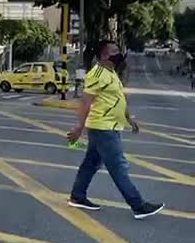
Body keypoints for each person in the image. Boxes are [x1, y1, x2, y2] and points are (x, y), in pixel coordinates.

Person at [67, 40, 164, 219]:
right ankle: (138, 205)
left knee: (91, 164)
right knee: (118, 166)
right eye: (115, 50)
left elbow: (118, 98)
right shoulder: (97, 74)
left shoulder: (111, 73)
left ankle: (77, 196)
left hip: (106, 127)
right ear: (104, 54)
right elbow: (86, 102)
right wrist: (78, 127)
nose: (119, 53)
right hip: (103, 128)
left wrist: (129, 118)